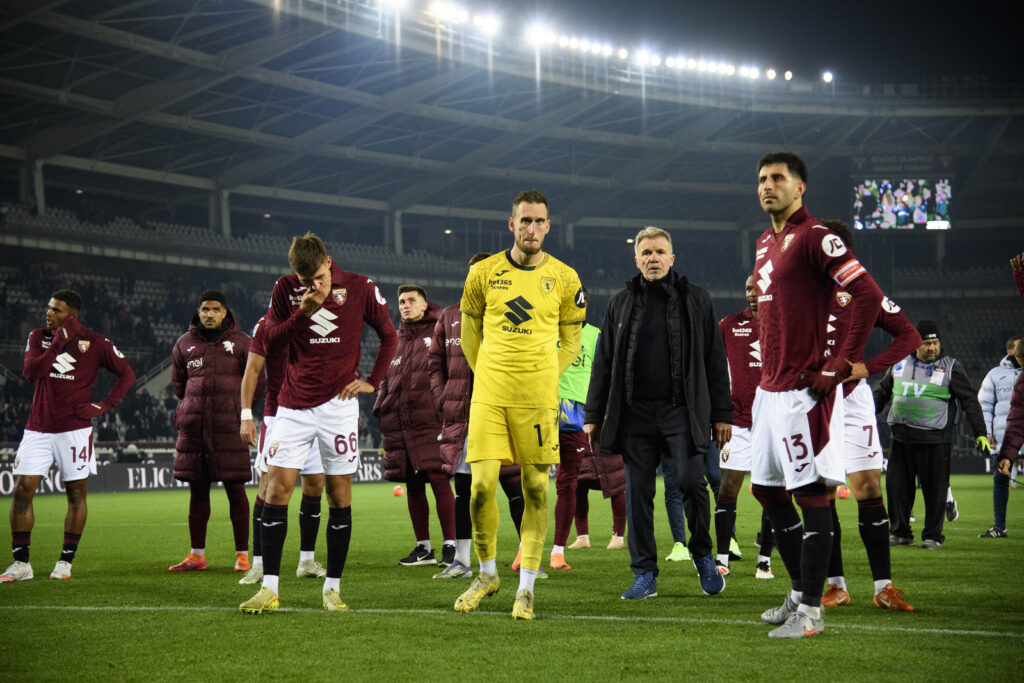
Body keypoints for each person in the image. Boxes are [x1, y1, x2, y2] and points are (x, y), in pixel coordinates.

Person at [749, 151, 887, 639]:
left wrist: (836, 364)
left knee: (811, 496)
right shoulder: (766, 241)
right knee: (766, 490)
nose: (769, 186)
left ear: (800, 187)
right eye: (763, 179)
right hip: (770, 388)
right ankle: (798, 592)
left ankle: (812, 611)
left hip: (803, 393)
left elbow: (866, 294)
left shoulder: (815, 237)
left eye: (779, 179)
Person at [239, 232, 397, 613]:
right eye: (306, 281)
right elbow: (269, 342)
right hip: (292, 406)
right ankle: (270, 589)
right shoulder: (285, 289)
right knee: (276, 491)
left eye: (319, 279)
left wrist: (372, 382)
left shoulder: (360, 287)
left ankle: (332, 588)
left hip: (339, 407)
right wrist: (302, 312)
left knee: (338, 494)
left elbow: (390, 336)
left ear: (329, 262)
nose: (314, 286)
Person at [453, 189, 585, 620]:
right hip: (490, 395)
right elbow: (470, 338)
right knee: (480, 488)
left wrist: (543, 374)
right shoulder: (483, 274)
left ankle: (526, 587)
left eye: (539, 222)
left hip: (538, 400)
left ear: (549, 226)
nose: (532, 229)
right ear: (511, 225)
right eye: (524, 221)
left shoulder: (566, 279)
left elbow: (571, 342)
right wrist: (491, 374)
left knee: (535, 489)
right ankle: (487, 574)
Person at [585, 226, 731, 601]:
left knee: (690, 481)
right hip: (634, 414)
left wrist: (722, 413)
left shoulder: (697, 300)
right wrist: (593, 414)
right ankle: (645, 573)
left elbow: (715, 359)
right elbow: (603, 363)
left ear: (672, 257)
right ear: (636, 260)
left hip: (682, 411)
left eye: (659, 251)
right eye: (646, 252)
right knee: (638, 493)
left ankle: (703, 555)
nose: (652, 258)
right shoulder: (619, 303)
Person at [811, 220, 919, 612]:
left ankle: (883, 588)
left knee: (868, 488)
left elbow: (910, 336)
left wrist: (868, 367)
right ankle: (835, 585)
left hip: (852, 398)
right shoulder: (799, 290)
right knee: (821, 493)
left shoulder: (862, 293)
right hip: (812, 400)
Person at [2, 289, 134, 582]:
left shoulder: (96, 342)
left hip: (75, 430)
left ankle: (65, 562)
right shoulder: (38, 337)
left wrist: (104, 405)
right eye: (49, 307)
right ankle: (21, 564)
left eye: (56, 310)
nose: (48, 312)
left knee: (75, 494)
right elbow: (31, 373)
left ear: (71, 316)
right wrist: (57, 344)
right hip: (37, 428)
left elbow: (127, 374)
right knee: (23, 490)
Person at [427, 253, 529, 580]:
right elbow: (434, 364)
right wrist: (443, 398)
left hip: (502, 414)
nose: (478, 278)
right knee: (465, 490)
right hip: (463, 417)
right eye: (473, 273)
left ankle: (529, 559)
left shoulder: (512, 311)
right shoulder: (449, 316)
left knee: (515, 489)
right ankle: (461, 561)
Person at [873, 321, 990, 549]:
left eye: (935, 343)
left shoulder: (951, 367)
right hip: (901, 440)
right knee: (897, 490)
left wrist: (980, 433)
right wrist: (861, 418)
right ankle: (900, 533)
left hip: (935, 441)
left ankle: (932, 536)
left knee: (935, 492)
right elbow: (881, 394)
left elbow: (969, 401)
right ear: (916, 344)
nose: (932, 348)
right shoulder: (898, 365)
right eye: (927, 343)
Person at [168, 290, 257, 573]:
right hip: (195, 428)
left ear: (225, 313)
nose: (209, 314)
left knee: (236, 489)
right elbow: (179, 386)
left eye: (215, 310)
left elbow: (258, 382)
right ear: (198, 311)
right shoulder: (184, 344)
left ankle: (242, 556)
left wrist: (239, 410)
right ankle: (197, 555)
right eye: (205, 309)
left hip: (229, 426)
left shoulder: (242, 343)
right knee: (198, 491)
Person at [238, 315, 327, 585]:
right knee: (268, 486)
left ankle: (307, 561)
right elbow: (252, 370)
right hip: (277, 414)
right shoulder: (267, 323)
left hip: (316, 412)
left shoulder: (321, 318)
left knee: (315, 484)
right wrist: (245, 414)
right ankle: (259, 564)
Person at [374, 284, 456, 567]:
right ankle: (423, 548)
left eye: (411, 300)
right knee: (412, 484)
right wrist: (380, 405)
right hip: (403, 424)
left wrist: (446, 410)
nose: (405, 305)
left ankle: (451, 546)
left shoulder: (439, 332)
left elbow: (453, 371)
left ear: (425, 305)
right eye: (401, 301)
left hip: (431, 421)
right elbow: (385, 378)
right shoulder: (395, 340)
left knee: (438, 480)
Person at [713, 273, 777, 580]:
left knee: (772, 492)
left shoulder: (783, 323)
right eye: (749, 287)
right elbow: (714, 369)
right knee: (728, 488)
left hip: (773, 424)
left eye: (759, 288)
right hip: (736, 422)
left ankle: (765, 559)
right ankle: (721, 557)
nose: (753, 293)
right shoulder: (727, 325)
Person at [551, 321, 609, 570]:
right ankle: (525, 549)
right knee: (532, 481)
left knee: (568, 483)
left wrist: (600, 414)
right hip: (542, 408)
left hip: (577, 415)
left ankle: (557, 552)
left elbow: (606, 373)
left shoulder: (596, 335)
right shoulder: (545, 327)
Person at [978, 335, 1023, 537]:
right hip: (1005, 436)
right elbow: (984, 405)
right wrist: (987, 432)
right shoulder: (995, 374)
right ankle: (999, 526)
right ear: (1010, 351)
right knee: (1000, 478)